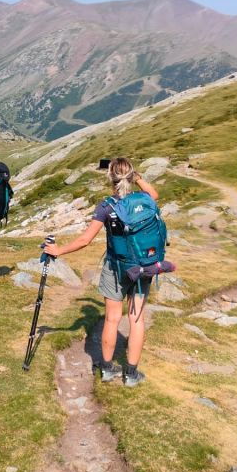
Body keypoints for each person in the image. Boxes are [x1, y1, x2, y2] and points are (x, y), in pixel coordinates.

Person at [43, 157, 159, 386]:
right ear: (131, 177)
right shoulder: (144, 200)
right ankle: (131, 374)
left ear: (110, 178)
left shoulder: (107, 206)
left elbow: (85, 240)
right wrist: (137, 177)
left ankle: (107, 369)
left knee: (112, 318)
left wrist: (58, 250)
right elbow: (154, 194)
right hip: (142, 268)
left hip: (115, 267)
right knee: (136, 319)